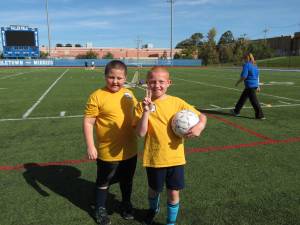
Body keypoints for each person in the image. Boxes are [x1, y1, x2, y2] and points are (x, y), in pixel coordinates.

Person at [133, 66, 207, 225]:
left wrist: (199, 126)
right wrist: (146, 111)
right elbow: (140, 133)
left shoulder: (177, 102)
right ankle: (153, 209)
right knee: (154, 190)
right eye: (152, 82)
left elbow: (202, 117)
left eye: (161, 82)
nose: (156, 85)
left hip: (176, 159)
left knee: (174, 193)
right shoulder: (141, 105)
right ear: (147, 84)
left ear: (169, 83)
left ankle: (171, 222)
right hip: (154, 158)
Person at [83, 60, 138, 225]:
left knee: (127, 179)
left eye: (119, 78)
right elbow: (88, 122)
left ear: (125, 78)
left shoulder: (129, 94)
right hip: (107, 151)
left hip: (130, 148)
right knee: (103, 180)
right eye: (111, 77)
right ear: (105, 76)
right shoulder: (97, 96)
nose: (115, 81)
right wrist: (91, 145)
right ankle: (100, 207)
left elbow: (136, 115)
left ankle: (126, 203)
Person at [230, 53, 265, 119]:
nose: (243, 59)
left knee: (254, 101)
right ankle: (236, 111)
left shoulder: (246, 65)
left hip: (250, 86)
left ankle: (260, 115)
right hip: (253, 85)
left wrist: (238, 82)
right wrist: (258, 85)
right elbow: (258, 76)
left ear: (247, 58)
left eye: (244, 58)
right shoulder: (255, 65)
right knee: (242, 98)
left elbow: (244, 76)